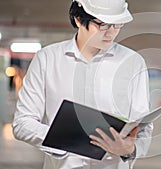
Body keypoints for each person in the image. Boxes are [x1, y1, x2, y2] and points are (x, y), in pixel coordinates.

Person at [12, 0, 153, 168]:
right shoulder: (47, 59)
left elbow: (143, 125)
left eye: (117, 25)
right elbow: (22, 123)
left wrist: (130, 149)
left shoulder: (133, 63)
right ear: (78, 19)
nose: (111, 33)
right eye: (102, 25)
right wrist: (64, 140)